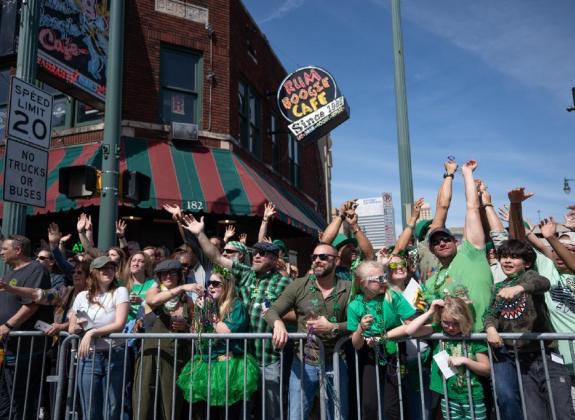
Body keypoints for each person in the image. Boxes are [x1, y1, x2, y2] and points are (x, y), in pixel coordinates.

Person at [181, 214, 291, 419]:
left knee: (271, 408)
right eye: (255, 252)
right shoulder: (246, 273)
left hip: (268, 355)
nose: (256, 256)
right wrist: (200, 234)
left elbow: (298, 312)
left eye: (263, 254)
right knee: (243, 411)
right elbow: (216, 257)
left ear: (274, 260)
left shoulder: (284, 283)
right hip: (244, 356)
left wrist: (279, 321)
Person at [484, 239, 575, 420]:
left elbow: (543, 283)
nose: (507, 261)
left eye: (514, 257)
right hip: (521, 361)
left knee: (562, 412)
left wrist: (519, 288)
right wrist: (491, 329)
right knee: (534, 414)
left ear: (526, 263)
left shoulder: (531, 276)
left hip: (546, 356)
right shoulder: (499, 287)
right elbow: (490, 314)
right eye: (504, 257)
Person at [266, 243, 351, 420]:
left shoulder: (348, 288)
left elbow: (360, 322)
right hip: (303, 362)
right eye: (314, 257)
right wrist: (278, 324)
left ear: (336, 261)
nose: (317, 261)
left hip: (335, 360)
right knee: (297, 415)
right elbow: (272, 311)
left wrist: (333, 327)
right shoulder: (299, 285)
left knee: (337, 415)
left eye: (323, 257)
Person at [177, 267, 259, 418]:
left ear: (227, 286)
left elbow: (226, 331)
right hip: (205, 364)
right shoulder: (207, 305)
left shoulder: (236, 306)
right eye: (209, 283)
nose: (210, 287)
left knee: (227, 415)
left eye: (215, 283)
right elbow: (195, 333)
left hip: (229, 367)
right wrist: (199, 313)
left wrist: (209, 313)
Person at [423, 160, 493, 332]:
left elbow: (472, 208)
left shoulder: (472, 253)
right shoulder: (432, 282)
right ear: (431, 249)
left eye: (446, 239)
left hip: (486, 341)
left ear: (456, 242)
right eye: (436, 242)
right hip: (453, 347)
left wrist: (467, 173)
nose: (442, 243)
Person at [347, 260, 417, 420]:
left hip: (394, 353)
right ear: (362, 282)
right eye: (378, 278)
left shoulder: (393, 296)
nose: (383, 281)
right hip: (369, 357)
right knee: (369, 405)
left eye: (384, 276)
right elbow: (356, 344)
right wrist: (360, 329)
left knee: (393, 406)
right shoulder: (354, 305)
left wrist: (383, 337)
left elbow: (410, 325)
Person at [132, 259, 201, 420]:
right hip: (150, 357)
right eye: (164, 274)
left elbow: (196, 331)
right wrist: (183, 287)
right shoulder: (153, 293)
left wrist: (185, 326)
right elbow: (152, 301)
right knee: (144, 402)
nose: (168, 276)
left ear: (179, 275)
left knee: (171, 405)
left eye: (172, 273)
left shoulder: (188, 302)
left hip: (176, 358)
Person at [406, 297, 490, 420]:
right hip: (448, 397)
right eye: (446, 322)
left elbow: (487, 369)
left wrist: (465, 360)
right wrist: (430, 311)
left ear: (464, 320)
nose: (450, 327)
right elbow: (410, 331)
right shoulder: (438, 330)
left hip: (473, 397)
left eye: (456, 323)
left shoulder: (473, 338)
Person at [68, 256, 129, 420]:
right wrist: (79, 327)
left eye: (111, 268)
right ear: (94, 272)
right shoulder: (81, 296)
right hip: (88, 357)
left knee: (112, 407)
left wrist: (92, 332)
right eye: (103, 268)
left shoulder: (120, 291)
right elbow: (71, 328)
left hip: (113, 354)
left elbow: (119, 324)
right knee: (90, 408)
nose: (108, 271)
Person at [0, 235, 53, 419]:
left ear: (18, 250)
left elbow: (32, 304)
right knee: (5, 398)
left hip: (26, 348)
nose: (1, 253)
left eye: (4, 249)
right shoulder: (9, 273)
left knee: (21, 399)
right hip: (7, 347)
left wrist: (8, 325)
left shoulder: (36, 269)